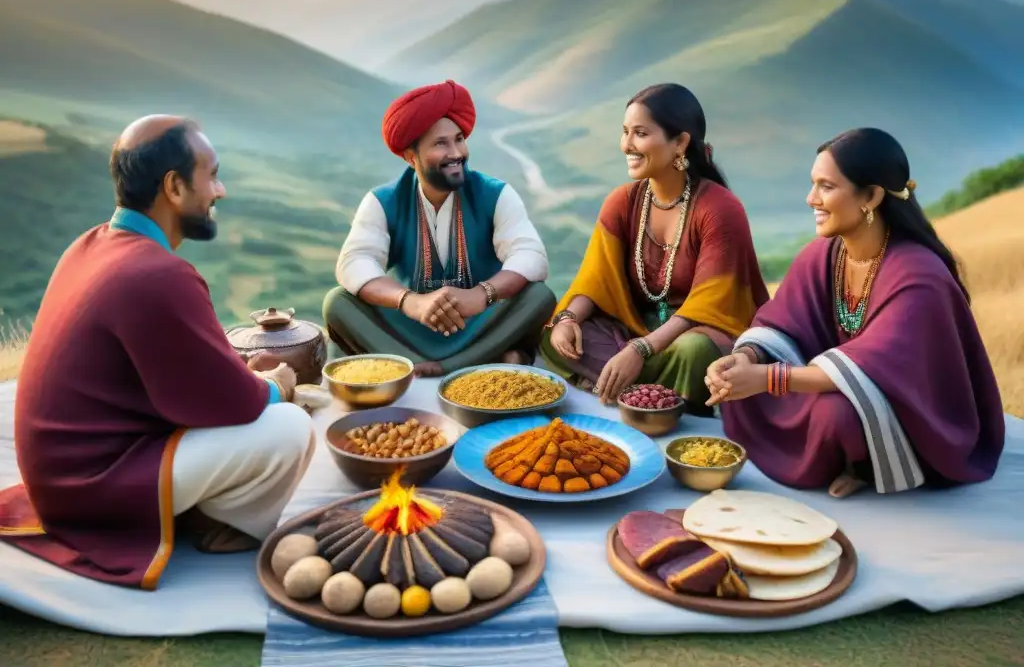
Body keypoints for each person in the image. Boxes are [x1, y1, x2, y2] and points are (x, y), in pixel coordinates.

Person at [0, 115, 316, 590]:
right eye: (211, 175)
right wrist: (277, 386)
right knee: (289, 426)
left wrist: (241, 377)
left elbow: (178, 375)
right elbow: (240, 403)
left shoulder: (89, 245)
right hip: (93, 490)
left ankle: (208, 513)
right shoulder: (157, 275)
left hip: (60, 479)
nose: (220, 190)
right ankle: (226, 526)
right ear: (173, 186)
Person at [705, 127, 1005, 498]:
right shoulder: (827, 254)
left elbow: (873, 367)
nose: (810, 198)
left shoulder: (919, 276)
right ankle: (834, 453)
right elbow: (781, 322)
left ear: (872, 196)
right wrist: (746, 358)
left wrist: (767, 378)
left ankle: (867, 466)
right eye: (813, 184)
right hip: (843, 385)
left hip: (916, 417)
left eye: (826, 187)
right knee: (745, 388)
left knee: (836, 414)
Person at [540, 83, 769, 412]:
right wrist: (566, 320)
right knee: (554, 336)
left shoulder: (720, 209)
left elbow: (709, 304)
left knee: (695, 353)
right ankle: (653, 397)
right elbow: (595, 281)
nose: (627, 145)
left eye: (640, 133)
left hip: (693, 332)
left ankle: (628, 388)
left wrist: (641, 351)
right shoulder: (622, 201)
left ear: (680, 143)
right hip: (633, 329)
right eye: (625, 132)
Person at [324, 80, 556, 377]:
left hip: (479, 321)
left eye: (459, 139)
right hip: (414, 324)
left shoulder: (496, 193)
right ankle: (487, 359)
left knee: (539, 295)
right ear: (411, 157)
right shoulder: (383, 201)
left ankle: (429, 367)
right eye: (440, 143)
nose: (456, 152)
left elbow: (531, 256)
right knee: (338, 302)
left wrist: (481, 294)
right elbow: (354, 263)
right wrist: (411, 302)